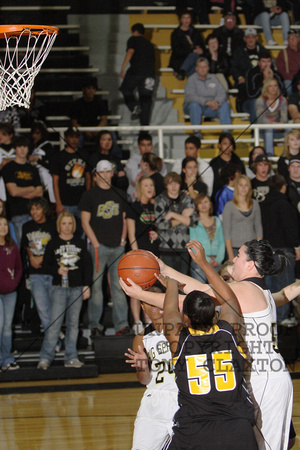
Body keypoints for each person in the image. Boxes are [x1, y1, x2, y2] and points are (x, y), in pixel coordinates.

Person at [119, 239, 294, 450]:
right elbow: (203, 289)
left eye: (238, 256)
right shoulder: (249, 288)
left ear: (250, 265)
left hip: (264, 375)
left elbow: (188, 302)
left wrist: (138, 295)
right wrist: (163, 268)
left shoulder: (246, 289)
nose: (234, 259)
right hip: (258, 375)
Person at [160, 247, 257, 449]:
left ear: (185, 318)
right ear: (214, 315)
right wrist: (203, 263)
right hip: (238, 431)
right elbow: (229, 298)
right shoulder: (228, 333)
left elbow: (169, 311)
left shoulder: (180, 339)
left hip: (195, 433)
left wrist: (171, 285)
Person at [79, 160, 130, 336]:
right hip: (98, 248)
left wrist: (123, 241)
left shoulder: (120, 194)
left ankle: (122, 325)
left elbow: (124, 220)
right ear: (96, 175)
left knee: (118, 287)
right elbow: (84, 222)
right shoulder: (89, 195)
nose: (106, 175)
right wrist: (95, 243)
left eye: (109, 171)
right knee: (96, 289)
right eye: (103, 172)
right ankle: (94, 325)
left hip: (118, 247)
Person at [37, 212, 92, 370]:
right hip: (59, 288)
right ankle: (45, 357)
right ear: (59, 225)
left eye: (69, 223)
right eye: (64, 223)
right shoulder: (53, 243)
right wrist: (57, 270)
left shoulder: (80, 243)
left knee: (73, 325)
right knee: (55, 325)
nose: (67, 227)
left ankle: (71, 357)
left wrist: (87, 285)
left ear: (73, 226)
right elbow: (45, 265)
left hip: (76, 288)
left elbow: (87, 266)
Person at [124, 301, 178, 450]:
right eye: (148, 303)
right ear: (142, 307)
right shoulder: (141, 339)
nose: (153, 305)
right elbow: (144, 380)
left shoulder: (182, 329)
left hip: (183, 398)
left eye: (155, 300)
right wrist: (142, 367)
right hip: (154, 400)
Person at [259, 174, 299, 324]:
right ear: (284, 187)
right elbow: (291, 229)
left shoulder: (263, 204)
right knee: (285, 284)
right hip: (284, 251)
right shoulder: (285, 205)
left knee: (269, 285)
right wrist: (296, 246)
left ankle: (271, 316)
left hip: (267, 250)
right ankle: (282, 317)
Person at [127, 176, 159, 334]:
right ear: (140, 188)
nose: (149, 188)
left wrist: (156, 235)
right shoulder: (133, 206)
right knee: (136, 288)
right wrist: (135, 254)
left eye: (151, 185)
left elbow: (157, 229)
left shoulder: (155, 207)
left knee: (150, 288)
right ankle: (137, 321)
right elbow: (131, 234)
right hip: (138, 254)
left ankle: (148, 320)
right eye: (146, 185)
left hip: (152, 252)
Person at [20, 197, 57, 334]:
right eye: (32, 209)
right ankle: (53, 338)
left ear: (44, 210)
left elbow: (56, 246)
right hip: (35, 274)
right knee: (42, 309)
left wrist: (42, 257)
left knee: (54, 308)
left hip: (51, 272)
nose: (34, 212)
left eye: (37, 208)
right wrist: (31, 257)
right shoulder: (27, 226)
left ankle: (54, 335)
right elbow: (25, 245)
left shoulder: (53, 225)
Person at [2, 136, 43, 246]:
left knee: (35, 246)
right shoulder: (8, 168)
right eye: (19, 147)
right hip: (17, 213)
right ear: (15, 149)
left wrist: (21, 191)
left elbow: (39, 192)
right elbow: (13, 192)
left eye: (24, 147)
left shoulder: (33, 169)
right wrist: (31, 188)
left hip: (33, 214)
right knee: (20, 246)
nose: (22, 149)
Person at [154, 171, 198, 275]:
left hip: (184, 247)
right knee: (168, 282)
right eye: (170, 183)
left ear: (180, 184)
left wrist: (172, 215)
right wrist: (183, 217)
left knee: (184, 282)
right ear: (166, 185)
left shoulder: (187, 199)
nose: (173, 186)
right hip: (166, 247)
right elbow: (160, 224)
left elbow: (193, 222)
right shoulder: (160, 200)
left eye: (176, 183)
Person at [51, 126, 91, 235]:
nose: (74, 139)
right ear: (66, 138)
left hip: (81, 202)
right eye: (71, 137)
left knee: (83, 232)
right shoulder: (58, 156)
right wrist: (58, 203)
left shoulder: (84, 154)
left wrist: (87, 199)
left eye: (76, 137)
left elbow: (88, 177)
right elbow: (55, 181)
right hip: (65, 202)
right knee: (65, 232)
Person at [120, 23, 155, 125]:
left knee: (125, 88)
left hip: (136, 72)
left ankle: (134, 106)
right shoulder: (150, 44)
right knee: (146, 100)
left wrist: (123, 69)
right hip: (150, 75)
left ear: (134, 31)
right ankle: (144, 130)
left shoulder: (133, 39)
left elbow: (130, 52)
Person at [222, 174, 263, 260]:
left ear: (250, 187)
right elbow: (226, 233)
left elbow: (259, 228)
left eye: (246, 185)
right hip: (235, 249)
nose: (243, 188)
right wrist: (230, 256)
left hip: (252, 249)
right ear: (236, 187)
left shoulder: (255, 204)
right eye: (241, 185)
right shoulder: (229, 206)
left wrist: (258, 249)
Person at [0, 216, 22, 371]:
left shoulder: (12, 246)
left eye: (4, 225)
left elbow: (19, 268)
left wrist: (14, 283)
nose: (2, 227)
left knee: (7, 327)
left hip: (10, 292)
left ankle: (7, 359)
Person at [184, 57, 231, 129]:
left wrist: (217, 102)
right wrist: (206, 102)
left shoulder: (214, 78)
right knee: (194, 105)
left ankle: (226, 132)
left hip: (212, 107)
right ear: (196, 68)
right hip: (197, 107)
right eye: (200, 67)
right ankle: (196, 131)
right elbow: (190, 97)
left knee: (225, 104)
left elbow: (222, 92)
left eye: (205, 66)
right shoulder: (191, 79)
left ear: (208, 68)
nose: (203, 69)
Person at [189, 193, 225, 282]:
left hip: (216, 262)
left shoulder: (217, 221)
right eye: (200, 203)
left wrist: (218, 259)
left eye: (206, 202)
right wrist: (205, 260)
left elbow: (222, 242)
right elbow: (192, 243)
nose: (203, 205)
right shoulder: (194, 222)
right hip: (199, 262)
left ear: (210, 204)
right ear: (197, 206)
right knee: (200, 290)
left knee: (217, 292)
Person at [231, 28, 267, 112]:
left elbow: (268, 64)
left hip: (260, 78)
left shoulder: (263, 51)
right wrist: (239, 77)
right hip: (245, 79)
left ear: (256, 38)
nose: (251, 39)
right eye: (248, 37)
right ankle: (243, 110)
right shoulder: (238, 52)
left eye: (253, 37)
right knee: (244, 86)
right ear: (245, 39)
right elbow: (234, 67)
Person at [244, 49, 284, 123]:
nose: (266, 64)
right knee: (255, 102)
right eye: (263, 62)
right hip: (250, 102)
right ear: (259, 63)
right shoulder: (252, 73)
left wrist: (272, 79)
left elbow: (283, 93)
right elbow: (251, 95)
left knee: (282, 101)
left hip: (270, 101)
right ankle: (255, 132)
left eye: (268, 61)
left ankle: (279, 128)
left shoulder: (276, 74)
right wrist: (265, 81)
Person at [125, 132, 167, 201]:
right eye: (143, 145)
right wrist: (143, 169)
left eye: (148, 145)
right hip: (135, 195)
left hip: (155, 194)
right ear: (138, 147)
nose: (146, 148)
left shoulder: (157, 160)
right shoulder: (132, 161)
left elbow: (162, 178)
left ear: (152, 146)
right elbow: (133, 180)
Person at [69, 77, 108, 146]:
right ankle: (77, 156)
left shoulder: (99, 103)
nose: (91, 91)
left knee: (109, 136)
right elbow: (73, 122)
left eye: (93, 89)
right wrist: (85, 130)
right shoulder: (76, 104)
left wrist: (97, 129)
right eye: (89, 88)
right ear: (83, 89)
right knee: (78, 138)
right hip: (81, 130)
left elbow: (104, 119)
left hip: (96, 129)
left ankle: (113, 156)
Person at [168, 9, 205, 80]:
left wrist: (200, 50)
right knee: (194, 59)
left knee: (196, 58)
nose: (186, 20)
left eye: (188, 17)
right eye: (184, 17)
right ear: (180, 19)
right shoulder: (175, 33)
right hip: (180, 59)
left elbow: (202, 46)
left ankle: (182, 71)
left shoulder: (196, 32)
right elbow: (176, 50)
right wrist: (191, 51)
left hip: (195, 59)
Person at [255, 78, 288, 156]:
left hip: (278, 126)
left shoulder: (282, 99)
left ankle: (287, 154)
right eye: (270, 86)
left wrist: (281, 123)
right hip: (264, 128)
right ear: (266, 88)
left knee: (289, 129)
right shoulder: (260, 100)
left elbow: (284, 116)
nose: (273, 88)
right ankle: (270, 155)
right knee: (269, 130)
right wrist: (272, 124)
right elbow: (261, 117)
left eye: (275, 86)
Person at [210, 131, 245, 200]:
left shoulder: (238, 162)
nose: (228, 146)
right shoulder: (214, 163)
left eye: (230, 143)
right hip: (218, 198)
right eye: (225, 143)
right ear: (219, 145)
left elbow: (243, 179)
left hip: (237, 197)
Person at [28, 121, 57, 204]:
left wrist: (38, 160)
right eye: (33, 133)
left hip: (46, 178)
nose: (35, 136)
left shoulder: (48, 145)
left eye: (37, 133)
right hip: (35, 177)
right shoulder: (32, 147)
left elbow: (52, 165)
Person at [276, 29, 300, 96]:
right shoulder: (283, 53)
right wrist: (292, 78)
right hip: (290, 78)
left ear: (298, 39)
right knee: (288, 85)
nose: (292, 39)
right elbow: (281, 70)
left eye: (294, 37)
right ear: (288, 40)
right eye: (290, 38)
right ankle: (291, 103)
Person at [0, 122, 15, 202]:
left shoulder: (18, 147)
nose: (0, 136)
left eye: (3, 134)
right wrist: (2, 165)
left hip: (16, 179)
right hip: (2, 181)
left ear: (10, 135)